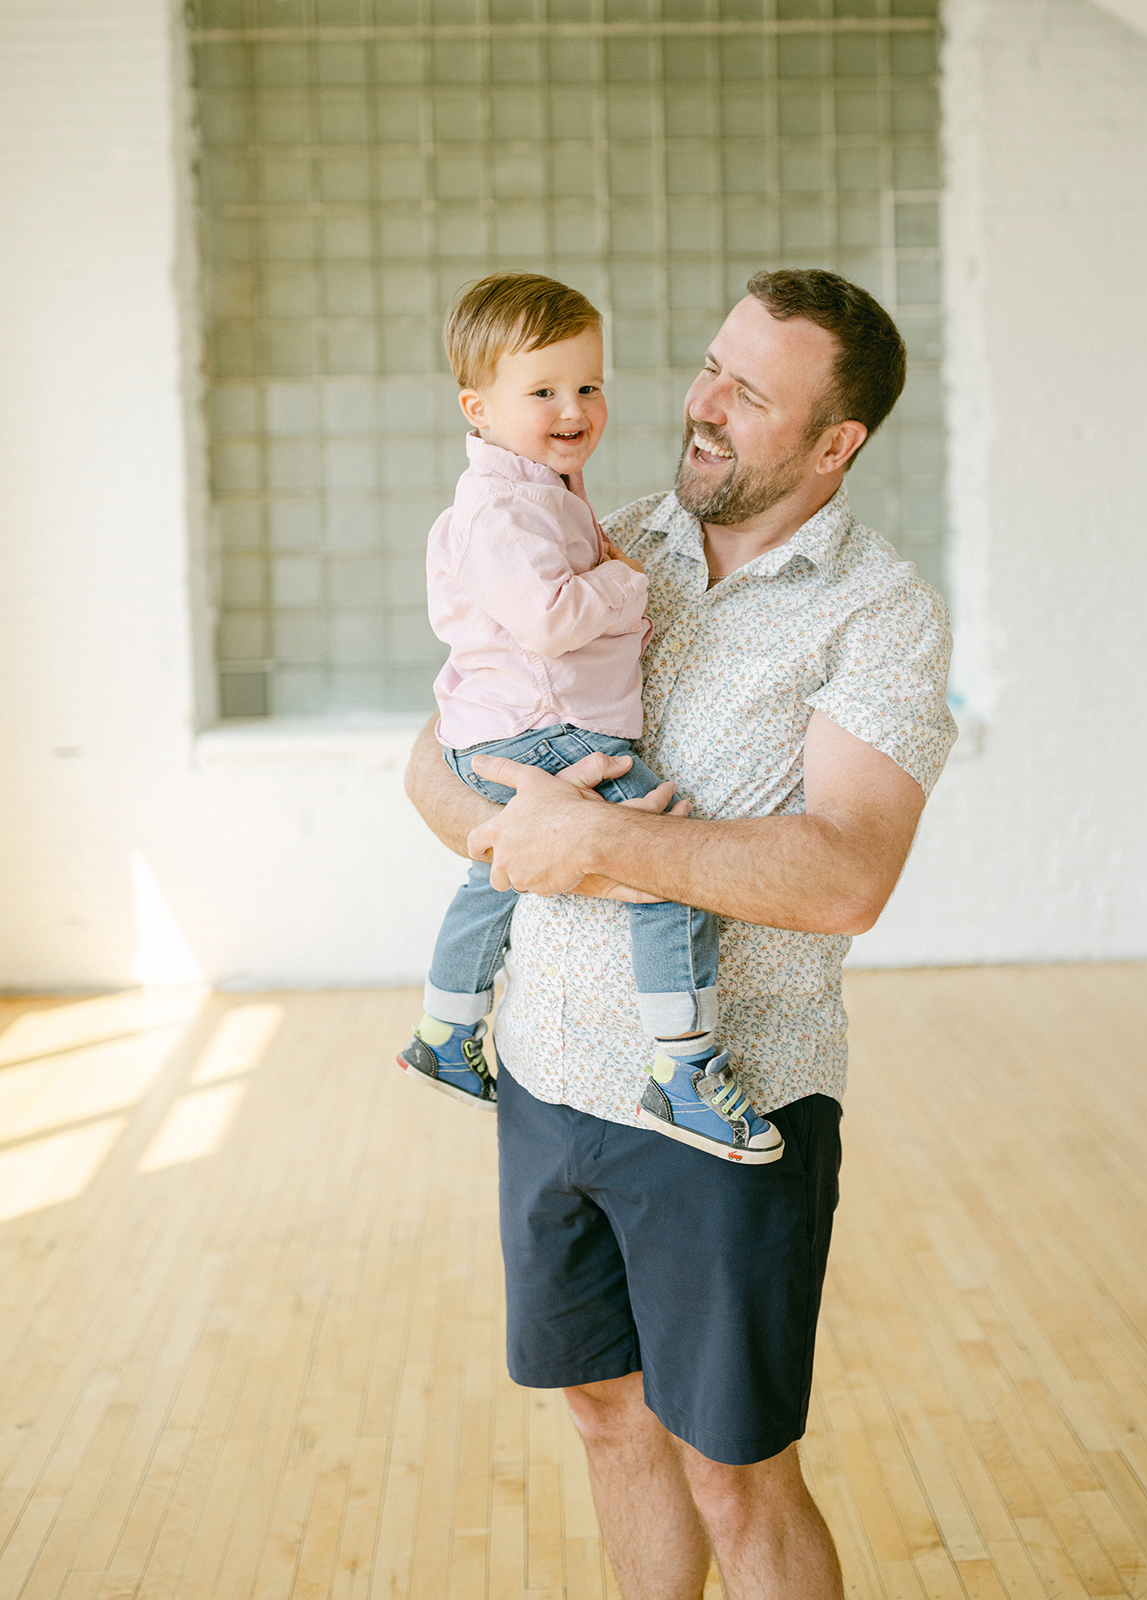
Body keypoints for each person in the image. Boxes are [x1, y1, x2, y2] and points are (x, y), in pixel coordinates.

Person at [406, 268, 957, 1600]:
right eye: (712, 364)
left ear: (839, 444)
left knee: (736, 1475)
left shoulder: (880, 617)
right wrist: (502, 828)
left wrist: (592, 840)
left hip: (731, 1108)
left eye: (750, 393)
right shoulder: (606, 536)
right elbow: (433, 761)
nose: (701, 405)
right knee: (606, 1415)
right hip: (544, 1075)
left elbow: (847, 875)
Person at [401, 271, 781, 1163]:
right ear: (478, 407)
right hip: (547, 730)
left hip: (520, 725)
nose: (573, 408)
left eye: (588, 385)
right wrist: (623, 581)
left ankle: (448, 1032)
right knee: (674, 857)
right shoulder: (504, 505)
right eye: (542, 391)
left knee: (497, 871)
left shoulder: (542, 484)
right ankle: (684, 1067)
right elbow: (550, 617)